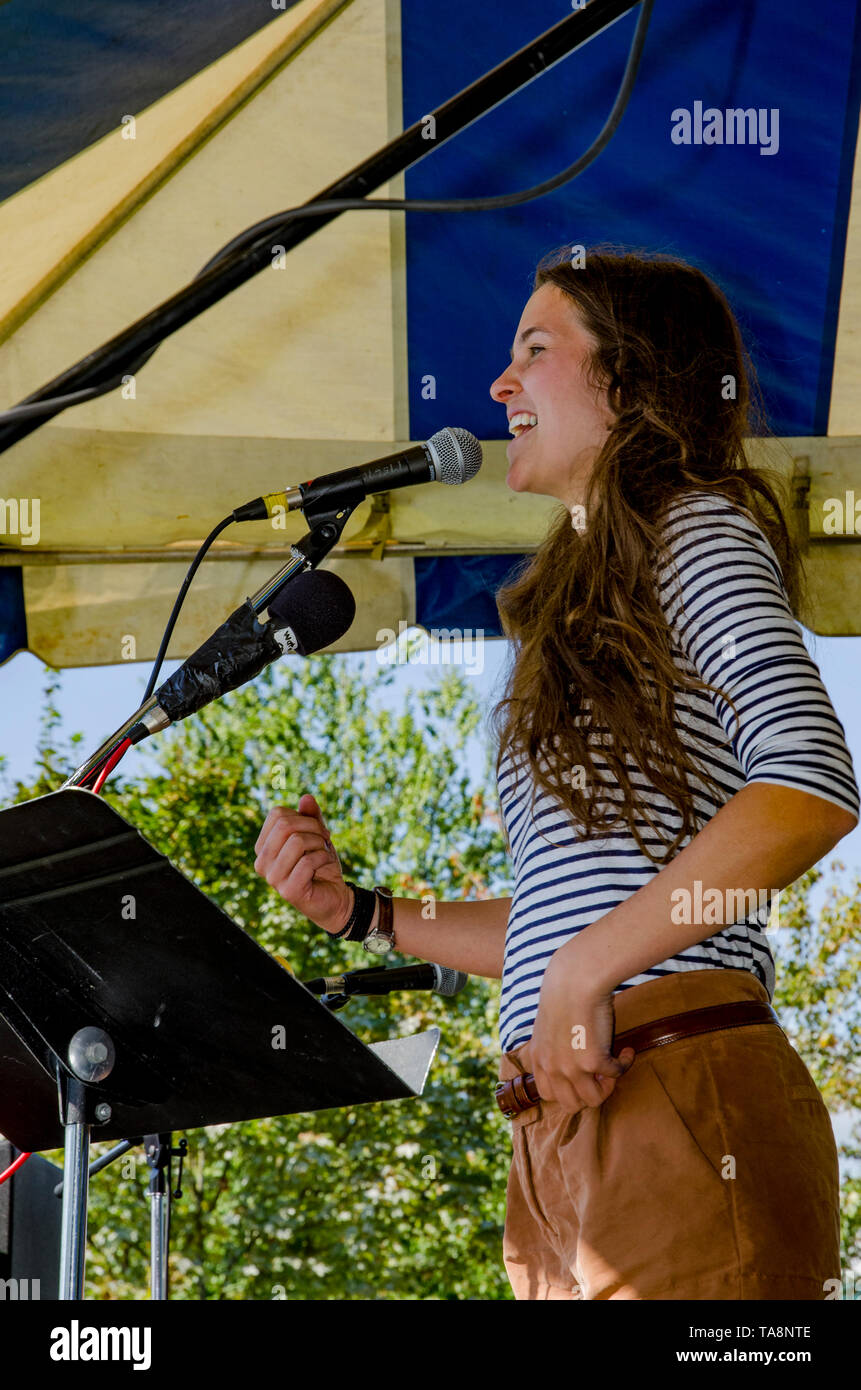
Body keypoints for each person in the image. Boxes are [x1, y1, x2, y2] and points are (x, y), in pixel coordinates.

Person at [253, 245, 860, 1300]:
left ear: (629, 379)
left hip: (672, 1079)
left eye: (536, 349)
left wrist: (584, 976)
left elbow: (810, 780)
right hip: (565, 1115)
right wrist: (366, 912)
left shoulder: (695, 527)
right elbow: (556, 916)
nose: (498, 385)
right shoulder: (582, 608)